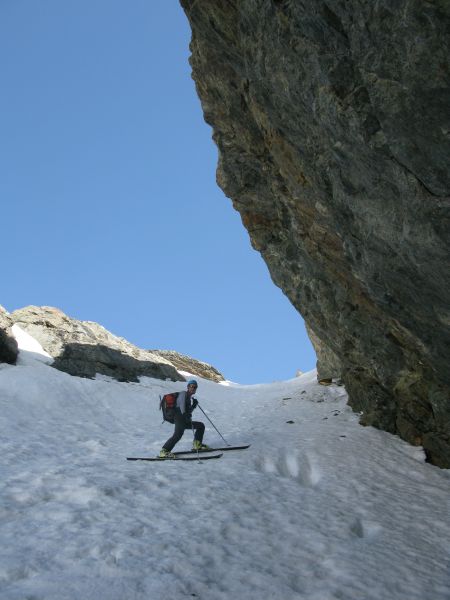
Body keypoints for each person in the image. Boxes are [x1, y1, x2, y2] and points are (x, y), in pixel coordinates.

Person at [159, 379, 211, 458]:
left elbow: (188, 411)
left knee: (200, 426)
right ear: (188, 387)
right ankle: (164, 451)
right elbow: (181, 407)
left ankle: (197, 445)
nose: (193, 388)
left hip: (182, 418)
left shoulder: (189, 398)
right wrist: (186, 414)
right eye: (191, 386)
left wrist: (193, 405)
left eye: (195, 387)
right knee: (178, 434)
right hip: (178, 416)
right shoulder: (183, 394)